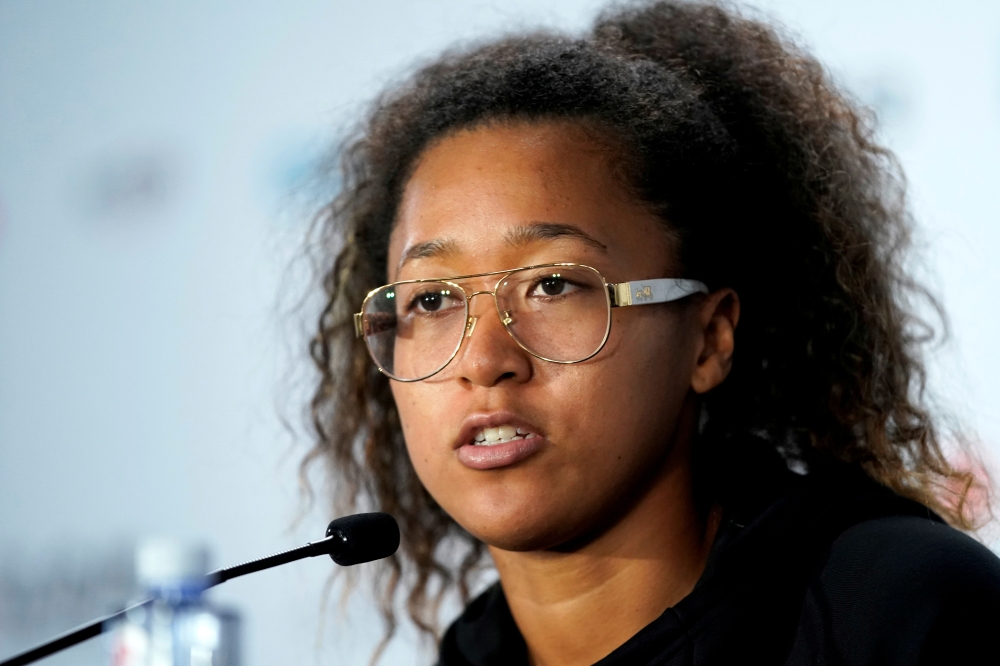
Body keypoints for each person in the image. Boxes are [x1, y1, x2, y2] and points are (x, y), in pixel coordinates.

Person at [303, 1, 1000, 664]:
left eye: (553, 284)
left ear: (708, 340)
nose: (484, 360)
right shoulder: (469, 656)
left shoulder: (904, 613)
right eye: (431, 300)